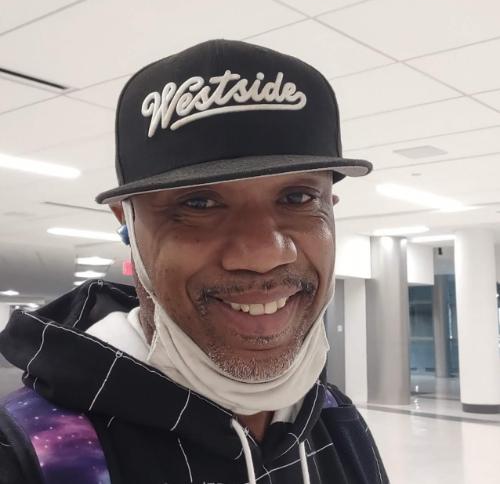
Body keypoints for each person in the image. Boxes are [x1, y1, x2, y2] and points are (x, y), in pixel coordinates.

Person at [0, 39, 389, 484]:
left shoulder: (337, 420)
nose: (265, 254)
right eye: (199, 203)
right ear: (127, 222)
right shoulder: (31, 451)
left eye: (298, 198)